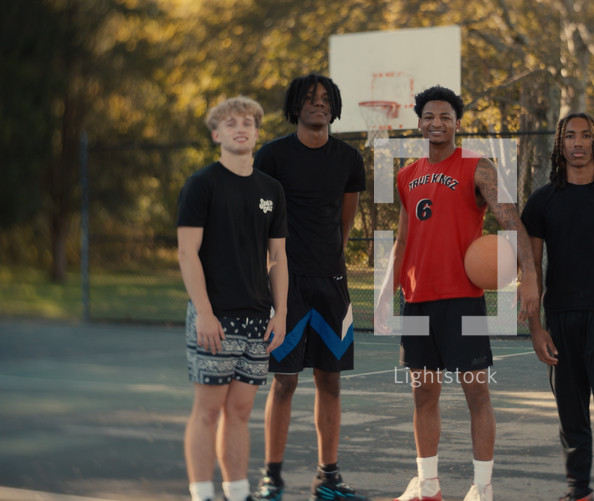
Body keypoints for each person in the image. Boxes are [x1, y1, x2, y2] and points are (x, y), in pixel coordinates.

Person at [374, 85, 540, 501]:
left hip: (463, 301)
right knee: (423, 394)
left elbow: (510, 219)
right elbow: (402, 240)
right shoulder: (406, 176)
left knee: (477, 393)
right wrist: (384, 294)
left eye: (445, 117)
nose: (437, 123)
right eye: (429, 116)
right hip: (416, 301)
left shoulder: (476, 166)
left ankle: (481, 488)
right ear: (419, 122)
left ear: (457, 123)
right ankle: (427, 484)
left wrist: (529, 276)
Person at [251, 74, 369, 501]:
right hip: (285, 286)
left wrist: (328, 260)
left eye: (325, 99)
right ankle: (272, 476)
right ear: (295, 106)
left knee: (331, 381)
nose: (318, 104)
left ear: (335, 107)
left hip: (331, 285)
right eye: (309, 98)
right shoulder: (272, 157)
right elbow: (259, 220)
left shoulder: (349, 159)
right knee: (284, 381)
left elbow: (345, 221)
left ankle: (328, 477)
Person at [520, 112, 594, 501]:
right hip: (559, 321)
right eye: (570, 136)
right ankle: (579, 492)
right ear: (560, 143)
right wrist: (536, 329)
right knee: (571, 416)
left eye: (585, 136)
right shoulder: (542, 201)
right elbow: (532, 270)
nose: (577, 142)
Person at [177, 96, 288, 501]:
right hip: (215, 318)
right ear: (216, 134)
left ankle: (238, 493)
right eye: (230, 123)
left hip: (258, 319)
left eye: (247, 122)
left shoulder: (271, 190)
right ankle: (202, 494)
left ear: (257, 133)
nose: (240, 127)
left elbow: (277, 257)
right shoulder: (201, 185)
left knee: (240, 412)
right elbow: (187, 253)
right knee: (207, 411)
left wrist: (281, 313)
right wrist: (204, 313)